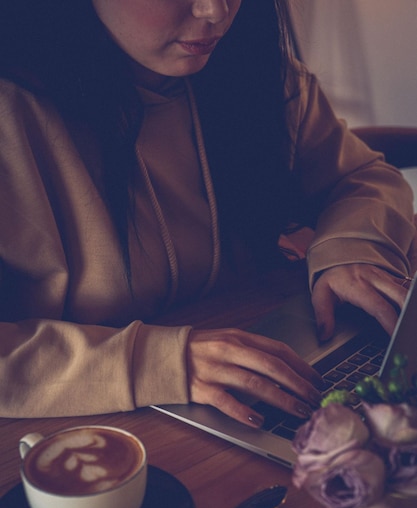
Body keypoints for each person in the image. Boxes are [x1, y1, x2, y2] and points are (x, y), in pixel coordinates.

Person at [0, 0, 415, 425]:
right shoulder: (12, 113)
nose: (216, 11)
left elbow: (363, 176)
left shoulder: (255, 69)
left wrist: (353, 247)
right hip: (88, 432)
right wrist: (161, 364)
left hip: (254, 372)